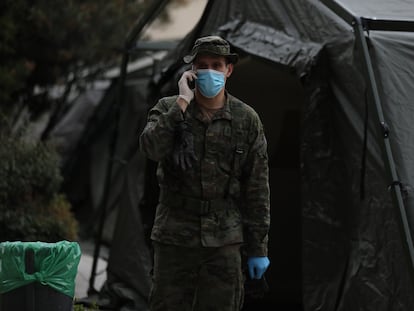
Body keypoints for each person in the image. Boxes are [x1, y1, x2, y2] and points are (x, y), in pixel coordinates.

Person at [139, 35, 270, 311]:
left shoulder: (246, 120)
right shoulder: (168, 108)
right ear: (191, 71)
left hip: (224, 241)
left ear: (228, 70)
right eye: (202, 65)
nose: (209, 71)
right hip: (175, 236)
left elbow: (257, 188)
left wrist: (258, 248)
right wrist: (182, 104)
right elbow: (151, 148)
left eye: (216, 65)